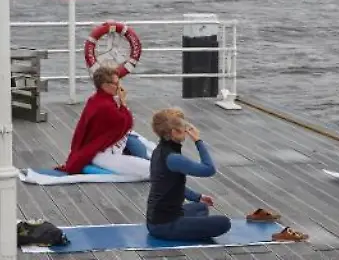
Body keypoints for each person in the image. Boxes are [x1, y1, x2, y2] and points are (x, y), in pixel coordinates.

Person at [145, 110, 231, 241]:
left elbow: (170, 186)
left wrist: (197, 197)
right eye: (183, 127)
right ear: (174, 132)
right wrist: (198, 140)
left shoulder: (159, 150)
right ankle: (185, 229)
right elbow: (209, 169)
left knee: (201, 207)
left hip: (156, 220)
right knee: (224, 223)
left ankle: (191, 227)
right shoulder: (173, 158)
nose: (186, 130)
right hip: (165, 225)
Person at [57, 66, 151, 177]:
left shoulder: (95, 99)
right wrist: (123, 102)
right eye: (116, 84)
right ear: (105, 85)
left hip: (99, 147)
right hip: (102, 153)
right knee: (149, 170)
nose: (119, 87)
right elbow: (127, 123)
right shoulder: (105, 106)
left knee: (140, 145)